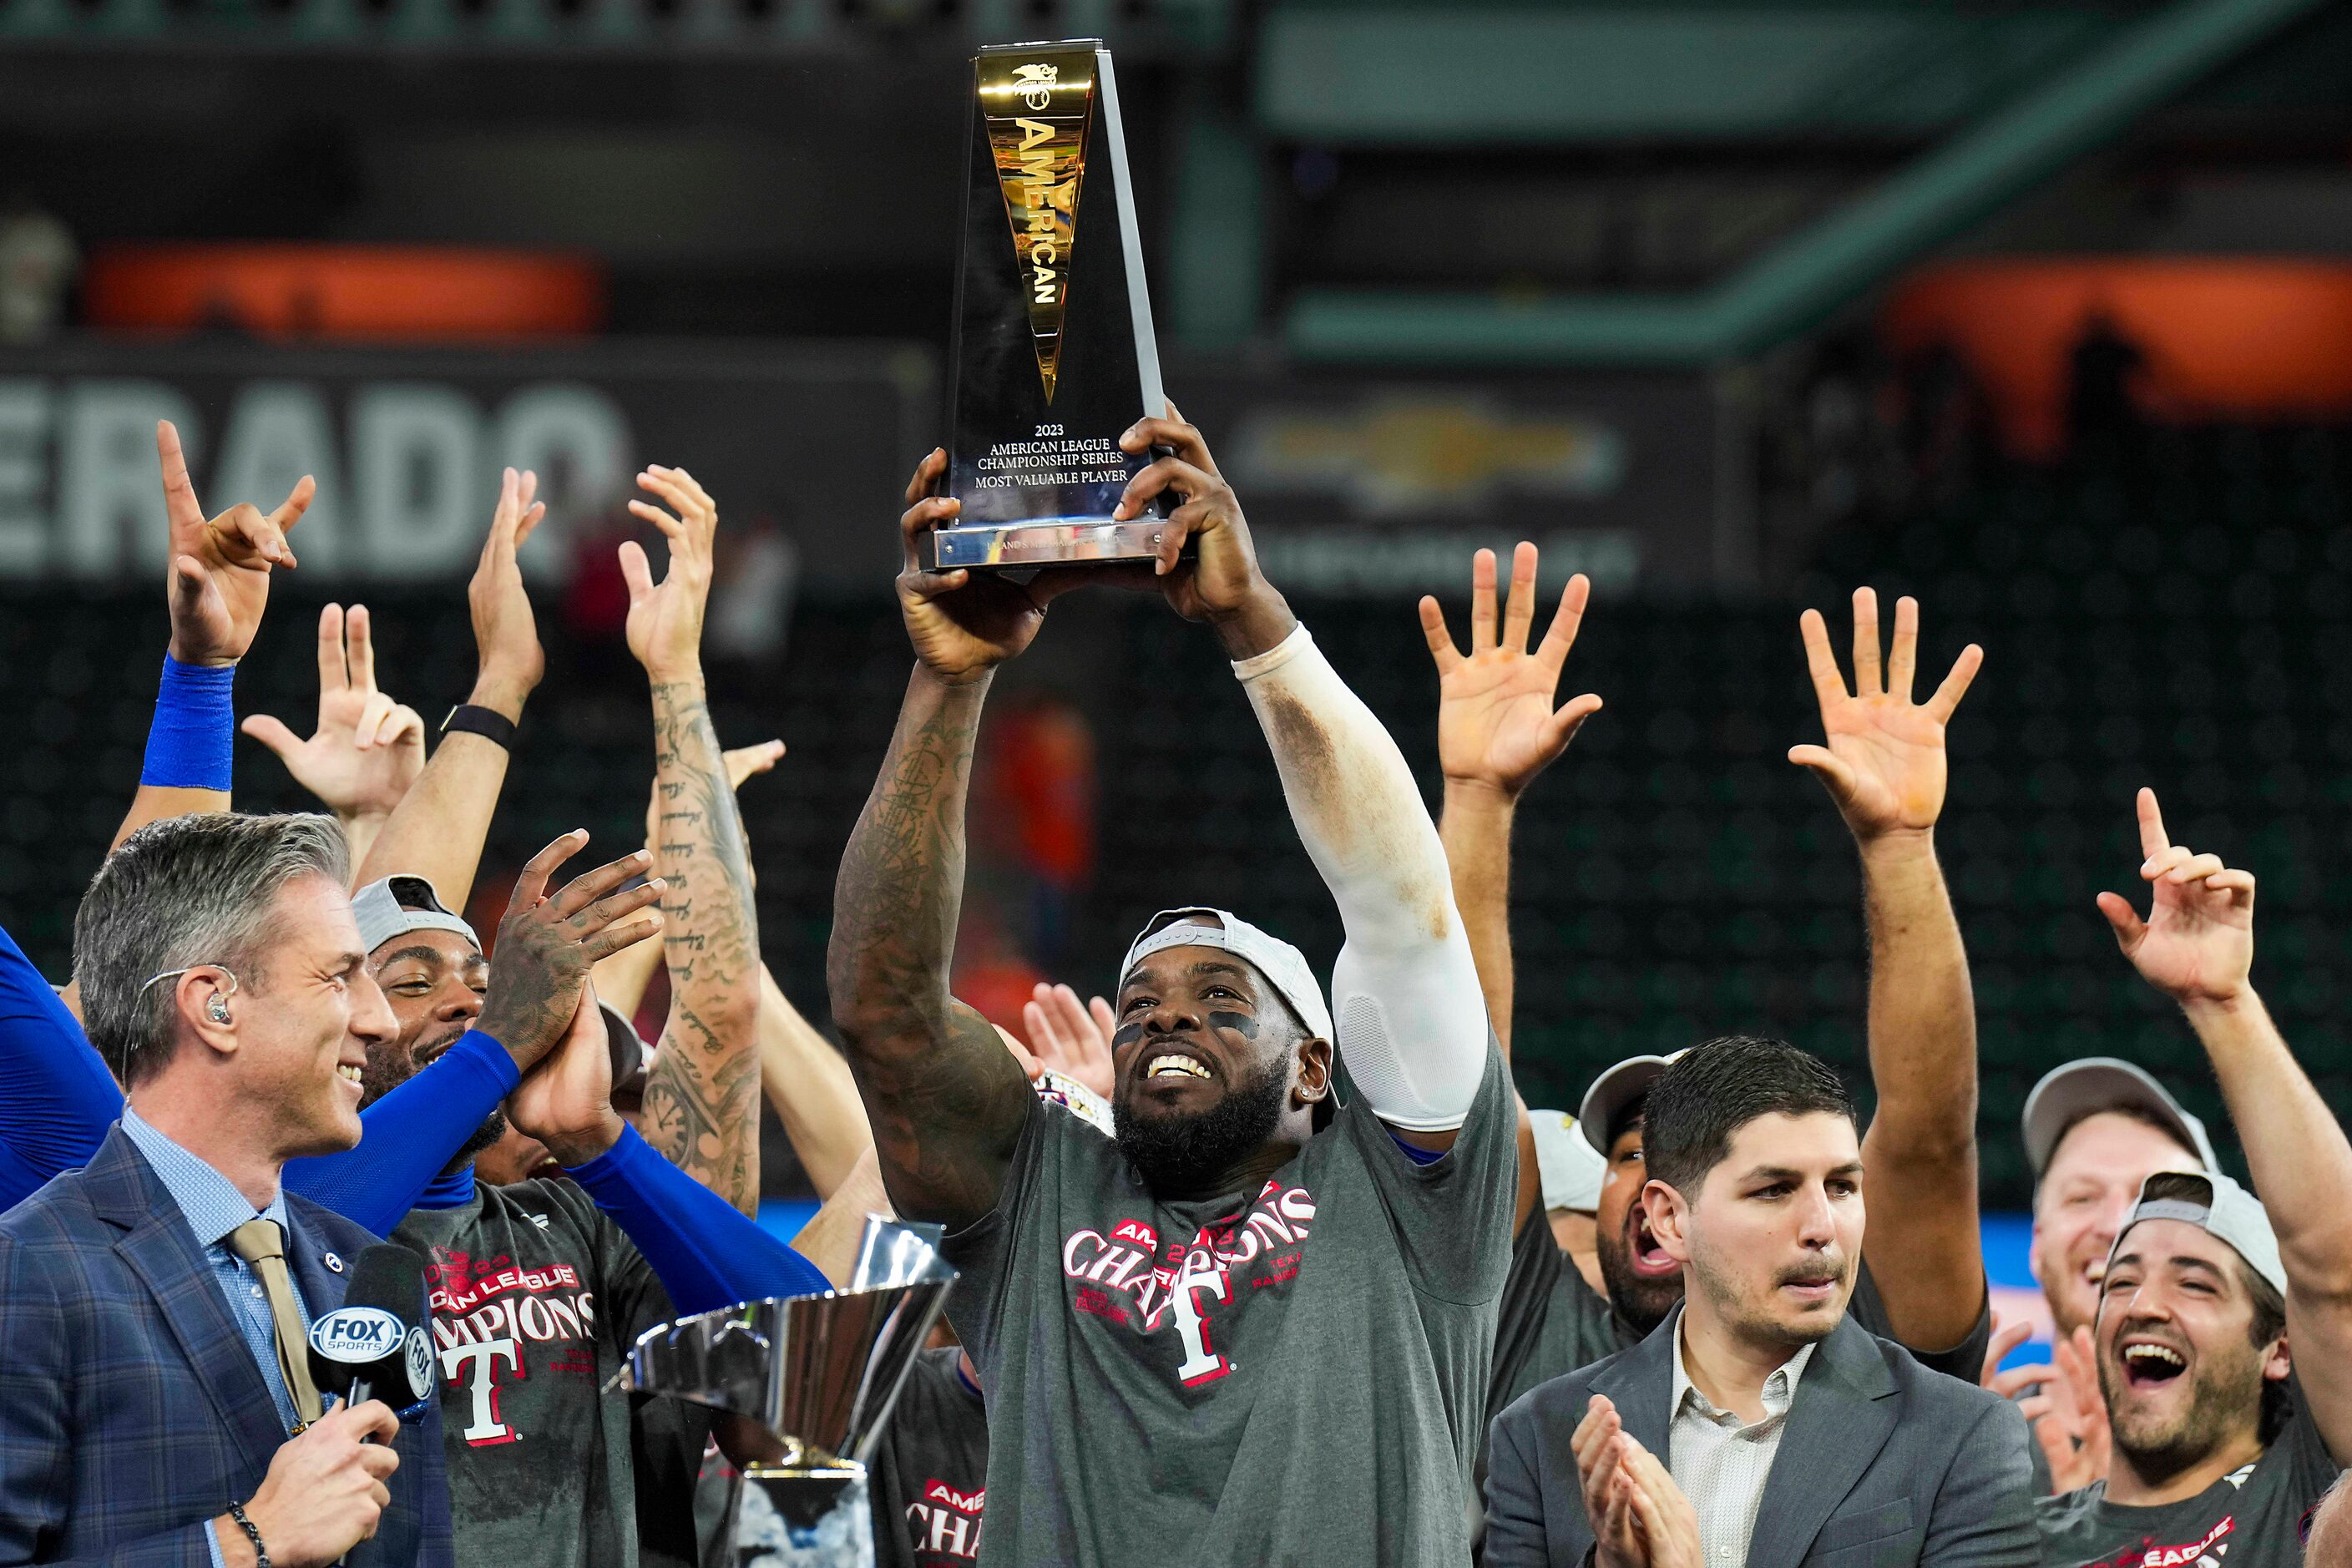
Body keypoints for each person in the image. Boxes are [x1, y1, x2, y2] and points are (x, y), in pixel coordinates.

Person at [828, 417, 1515, 1565]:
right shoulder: (1042, 1184)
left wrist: (1254, 625)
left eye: (1221, 1000)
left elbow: (1404, 910)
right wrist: (946, 681)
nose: (1168, 1016)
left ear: (1316, 1063)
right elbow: (883, 1010)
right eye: (1140, 1004)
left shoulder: (1407, 1202)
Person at [333, 465, 842, 1568]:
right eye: (409, 982)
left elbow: (802, 1360)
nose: (468, 999)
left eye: (479, 980)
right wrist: (497, 687)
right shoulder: (271, 1208)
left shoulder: (568, 1227)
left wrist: (605, 1148)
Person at [1427, 559, 1997, 1421]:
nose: (1667, 1189)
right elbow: (1458, 1085)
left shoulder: (1870, 1342)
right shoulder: (1525, 1338)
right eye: (1634, 1158)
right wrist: (1475, 799)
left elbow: (1928, 1140)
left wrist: (1900, 847)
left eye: (1736, 1168)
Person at [0, 813, 451, 1568]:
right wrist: (242, 1545)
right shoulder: (29, 1268)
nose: (377, 1021)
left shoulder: (370, 1269)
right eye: (340, 976)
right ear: (215, 1005)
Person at [1484, 1038, 2039, 1568]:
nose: (1823, 1227)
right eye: (1773, 1190)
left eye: (1842, 1186)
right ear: (1670, 1220)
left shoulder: (1964, 1434)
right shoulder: (1538, 1435)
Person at [2036, 790, 2352, 1567]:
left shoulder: (2311, 1494)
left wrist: (2221, 1003)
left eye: (2196, 1283)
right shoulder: (2005, 1536)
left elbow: (2333, 1263)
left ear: (2279, 1346)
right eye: (2121, 1282)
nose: (2143, 1304)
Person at [1984, 1055, 2217, 1493]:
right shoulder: (1974, 1462)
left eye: (2149, 1198)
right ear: (2036, 1245)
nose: (2114, 1225)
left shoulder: (2283, 1451)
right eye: (2082, 1198)